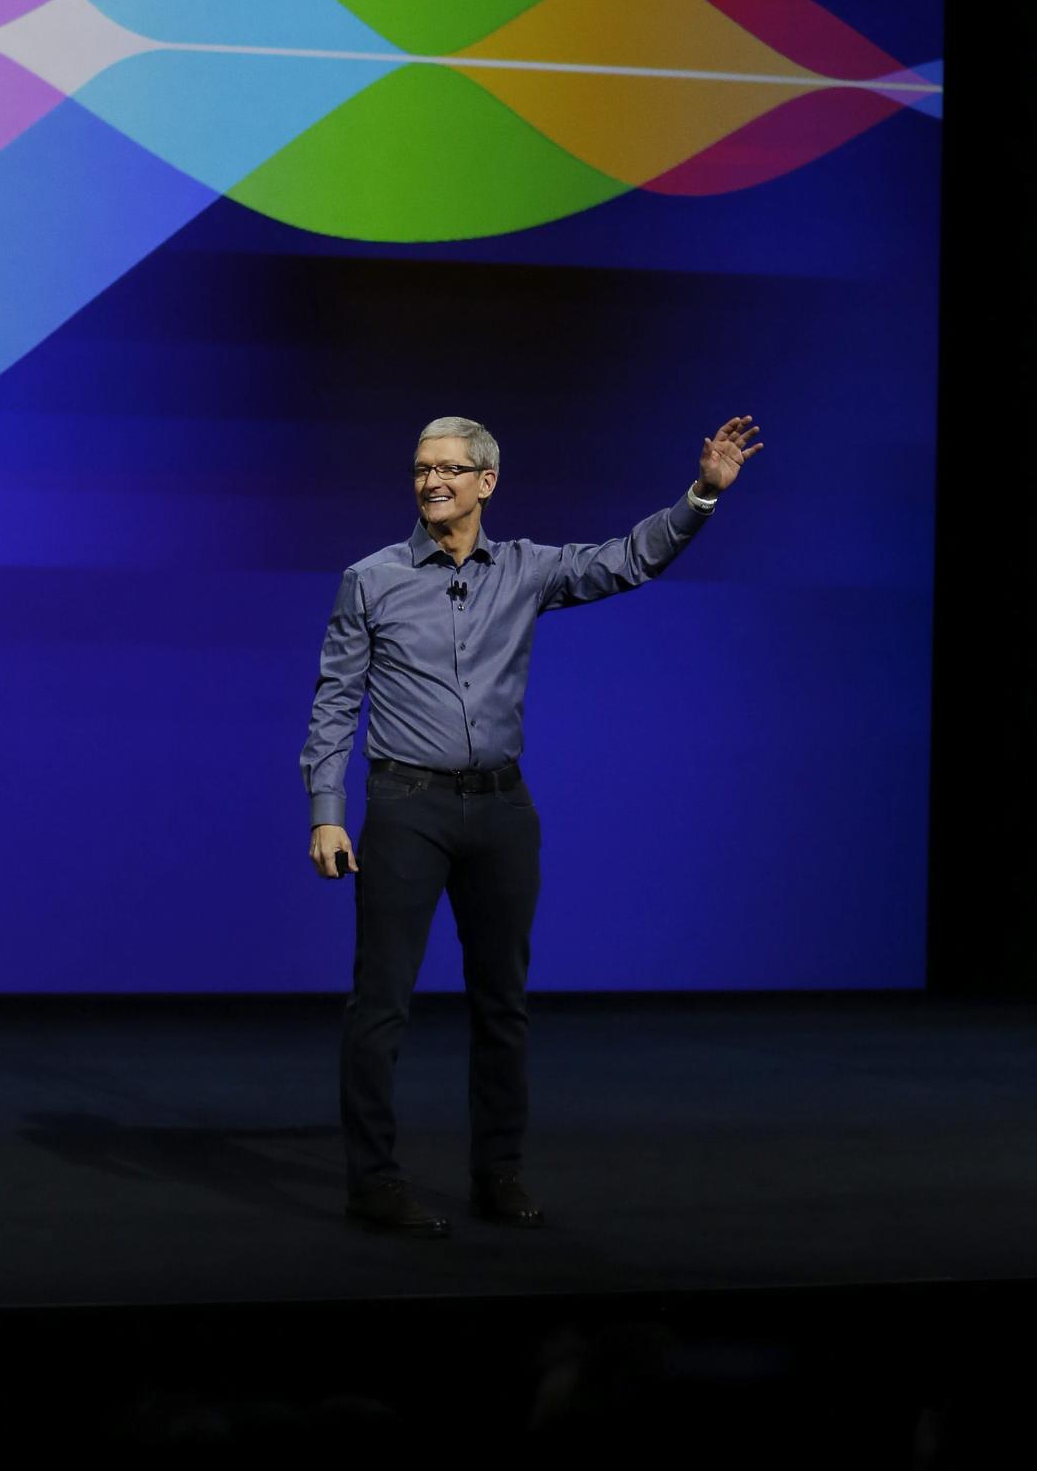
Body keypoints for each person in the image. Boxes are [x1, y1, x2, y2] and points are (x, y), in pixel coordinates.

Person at [301, 414, 762, 1236]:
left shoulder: (527, 569)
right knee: (381, 1007)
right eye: (419, 468)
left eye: (448, 468)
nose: (431, 481)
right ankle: (373, 1181)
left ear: (487, 482)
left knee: (503, 1004)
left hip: (503, 813)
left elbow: (627, 560)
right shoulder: (369, 579)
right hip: (406, 808)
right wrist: (327, 814)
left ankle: (498, 1174)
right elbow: (336, 700)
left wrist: (700, 496)